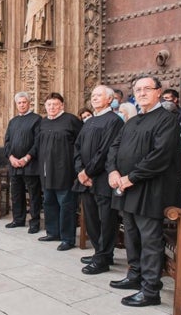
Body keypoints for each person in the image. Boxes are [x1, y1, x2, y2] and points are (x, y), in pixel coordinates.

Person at [106, 75, 181, 307]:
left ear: (158, 91)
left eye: (146, 89)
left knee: (149, 239)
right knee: (131, 233)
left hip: (152, 189)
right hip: (127, 187)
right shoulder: (132, 121)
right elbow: (114, 147)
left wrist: (132, 177)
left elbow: (160, 156)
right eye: (137, 89)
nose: (141, 93)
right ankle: (135, 275)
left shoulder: (167, 119)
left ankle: (150, 290)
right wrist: (112, 171)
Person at [73, 85, 124, 274]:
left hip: (101, 179)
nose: (94, 98)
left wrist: (88, 173)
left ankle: (103, 257)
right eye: (92, 95)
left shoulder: (114, 121)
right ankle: (100, 252)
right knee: (92, 219)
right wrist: (80, 171)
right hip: (85, 179)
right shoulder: (90, 121)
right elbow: (77, 147)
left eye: (99, 95)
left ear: (109, 99)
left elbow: (106, 151)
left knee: (106, 220)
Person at [32, 92, 82, 251]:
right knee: (49, 203)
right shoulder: (43, 122)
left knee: (66, 205)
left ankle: (68, 238)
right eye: (49, 105)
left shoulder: (71, 120)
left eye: (55, 104)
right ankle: (53, 232)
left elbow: (80, 144)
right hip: (46, 172)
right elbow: (38, 145)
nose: (52, 107)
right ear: (45, 106)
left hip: (64, 171)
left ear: (62, 105)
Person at [4, 92, 42, 233]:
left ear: (29, 103)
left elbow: (38, 142)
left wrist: (27, 157)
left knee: (33, 195)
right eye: (19, 103)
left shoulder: (37, 119)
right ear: (16, 105)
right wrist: (11, 157)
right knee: (16, 193)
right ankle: (18, 219)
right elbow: (7, 142)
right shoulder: (13, 121)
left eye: (24, 102)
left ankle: (34, 222)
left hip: (30, 164)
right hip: (14, 164)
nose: (21, 105)